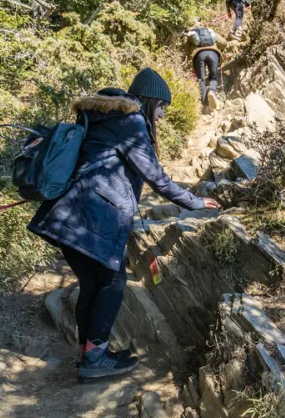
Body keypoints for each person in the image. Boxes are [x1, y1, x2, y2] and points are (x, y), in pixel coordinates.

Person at [28, 67, 222, 381]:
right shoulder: (130, 123)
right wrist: (197, 202)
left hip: (68, 214)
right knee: (113, 283)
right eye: (161, 108)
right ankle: (95, 358)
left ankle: (89, 354)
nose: (161, 117)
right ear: (149, 101)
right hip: (94, 218)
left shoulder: (100, 117)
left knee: (93, 285)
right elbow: (157, 178)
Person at [185, 20, 222, 111]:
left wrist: (190, 58)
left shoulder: (191, 34)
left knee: (201, 79)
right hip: (213, 54)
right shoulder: (209, 31)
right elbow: (223, 42)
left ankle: (205, 106)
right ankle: (212, 91)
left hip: (199, 55)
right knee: (212, 77)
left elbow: (186, 50)